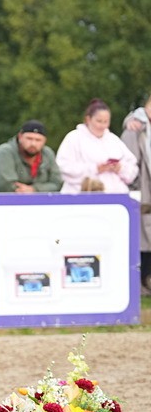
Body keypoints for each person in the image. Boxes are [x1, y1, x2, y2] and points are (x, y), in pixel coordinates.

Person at [56, 99, 138, 194]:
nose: (102, 125)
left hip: (114, 196)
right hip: (82, 194)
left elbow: (132, 167)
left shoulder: (113, 140)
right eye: (99, 121)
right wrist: (95, 169)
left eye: (106, 121)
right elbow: (63, 167)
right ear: (88, 119)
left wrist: (120, 168)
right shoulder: (74, 138)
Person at [121, 94, 151, 295]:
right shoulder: (134, 127)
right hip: (144, 191)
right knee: (143, 236)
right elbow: (129, 163)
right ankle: (143, 283)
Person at [0, 119, 63, 193]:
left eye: (38, 140)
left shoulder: (47, 153)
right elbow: (6, 185)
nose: (33, 144)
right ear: (20, 136)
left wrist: (34, 189)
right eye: (29, 138)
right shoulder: (4, 152)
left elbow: (57, 184)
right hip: (5, 202)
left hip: (40, 202)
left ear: (45, 141)